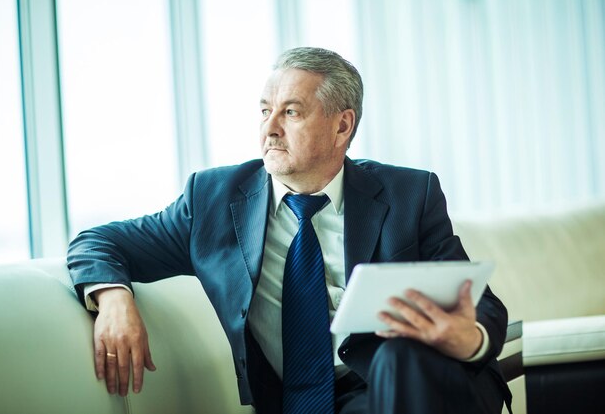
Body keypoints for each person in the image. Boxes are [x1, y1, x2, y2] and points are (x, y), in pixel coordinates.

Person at [68, 47, 511, 414]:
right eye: (265, 110)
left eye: (292, 112)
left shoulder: (409, 194)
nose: (270, 128)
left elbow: (479, 303)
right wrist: (113, 298)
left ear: (342, 125)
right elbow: (98, 241)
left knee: (401, 356)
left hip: (405, 390)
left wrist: (466, 339)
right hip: (299, 403)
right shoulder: (214, 199)